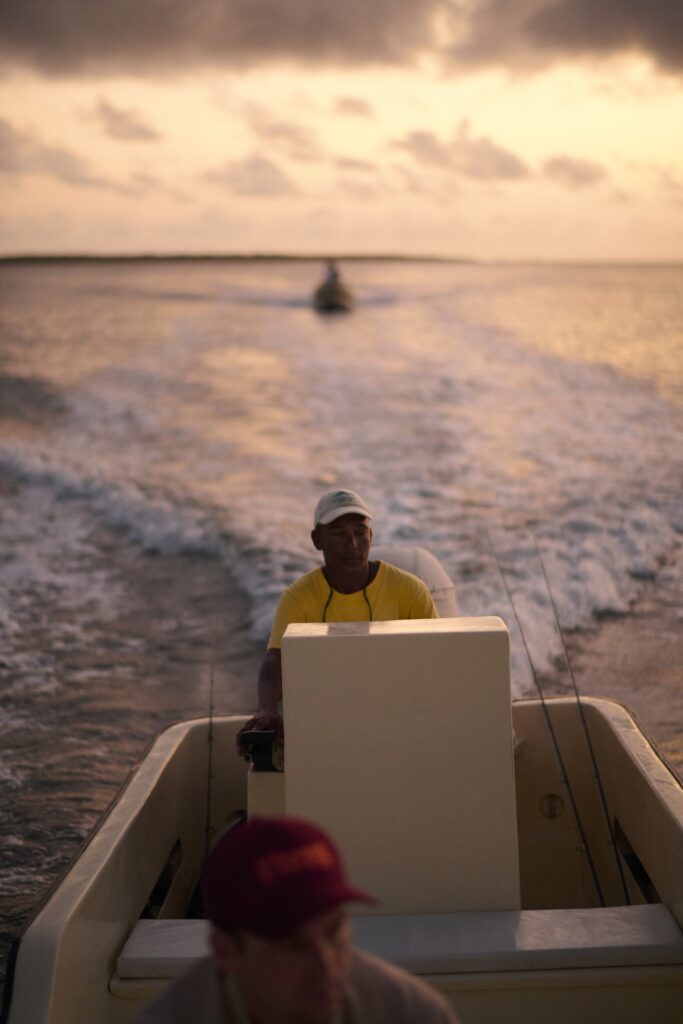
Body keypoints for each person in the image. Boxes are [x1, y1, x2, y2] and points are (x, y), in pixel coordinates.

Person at [136, 815, 458, 1023]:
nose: (326, 964)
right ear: (226, 951)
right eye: (293, 946)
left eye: (334, 932)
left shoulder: (414, 1014)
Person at [238, 489, 438, 752]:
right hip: (325, 721)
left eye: (360, 532)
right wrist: (266, 708)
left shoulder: (410, 590)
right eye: (339, 533)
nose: (353, 545)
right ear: (317, 539)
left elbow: (435, 660)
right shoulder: (298, 597)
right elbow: (276, 659)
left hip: (393, 715)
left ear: (371, 536)